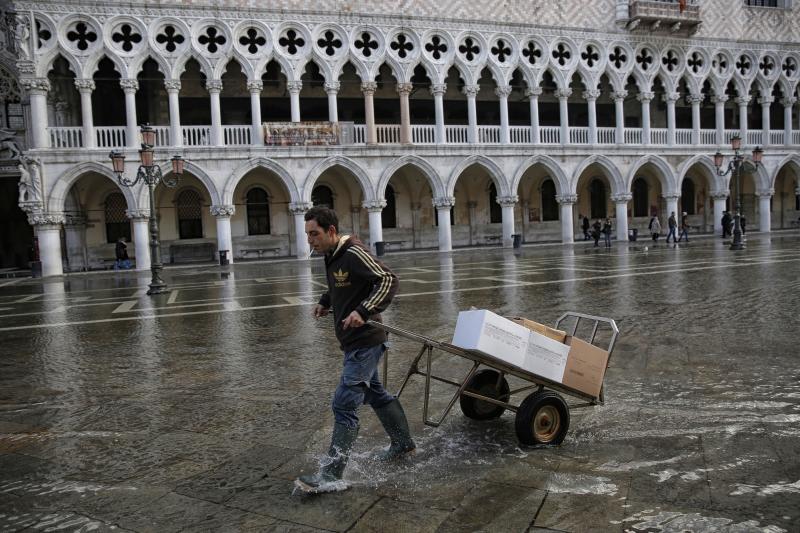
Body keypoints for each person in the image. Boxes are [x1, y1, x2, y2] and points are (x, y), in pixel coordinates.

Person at [296, 206, 414, 493]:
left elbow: (387, 279)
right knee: (375, 393)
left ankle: (331, 475)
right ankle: (403, 444)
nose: (310, 240)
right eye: (308, 234)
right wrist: (326, 301)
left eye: (315, 234)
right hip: (354, 342)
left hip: (366, 341)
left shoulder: (352, 252)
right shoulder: (332, 255)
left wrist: (364, 310)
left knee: (344, 403)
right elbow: (340, 283)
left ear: (331, 231)